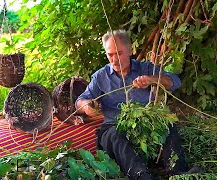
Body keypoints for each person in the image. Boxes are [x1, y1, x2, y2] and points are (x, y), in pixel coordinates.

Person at [75, 30, 188, 179]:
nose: (114, 60)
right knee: (114, 135)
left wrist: (151, 79)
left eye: (119, 53)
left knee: (168, 126)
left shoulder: (145, 68)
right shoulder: (100, 76)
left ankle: (179, 173)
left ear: (130, 50)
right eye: (110, 55)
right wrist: (87, 106)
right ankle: (142, 176)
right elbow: (80, 101)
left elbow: (175, 82)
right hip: (115, 126)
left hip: (147, 123)